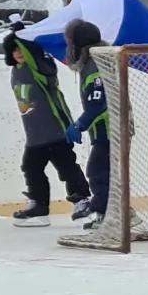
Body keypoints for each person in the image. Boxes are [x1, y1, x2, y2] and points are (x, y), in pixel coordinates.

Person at [5, 26, 90, 227]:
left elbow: (39, 61)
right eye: (14, 49)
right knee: (31, 168)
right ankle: (39, 206)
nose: (18, 53)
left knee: (66, 167)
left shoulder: (41, 68)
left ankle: (83, 200)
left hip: (54, 130)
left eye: (21, 49)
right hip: (34, 135)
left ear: (30, 51)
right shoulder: (16, 71)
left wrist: (23, 36)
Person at [64, 20, 111, 229]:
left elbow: (97, 102)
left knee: (98, 172)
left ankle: (105, 214)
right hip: (108, 129)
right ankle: (115, 213)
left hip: (109, 129)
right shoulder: (96, 61)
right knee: (107, 172)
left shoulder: (94, 64)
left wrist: (79, 124)